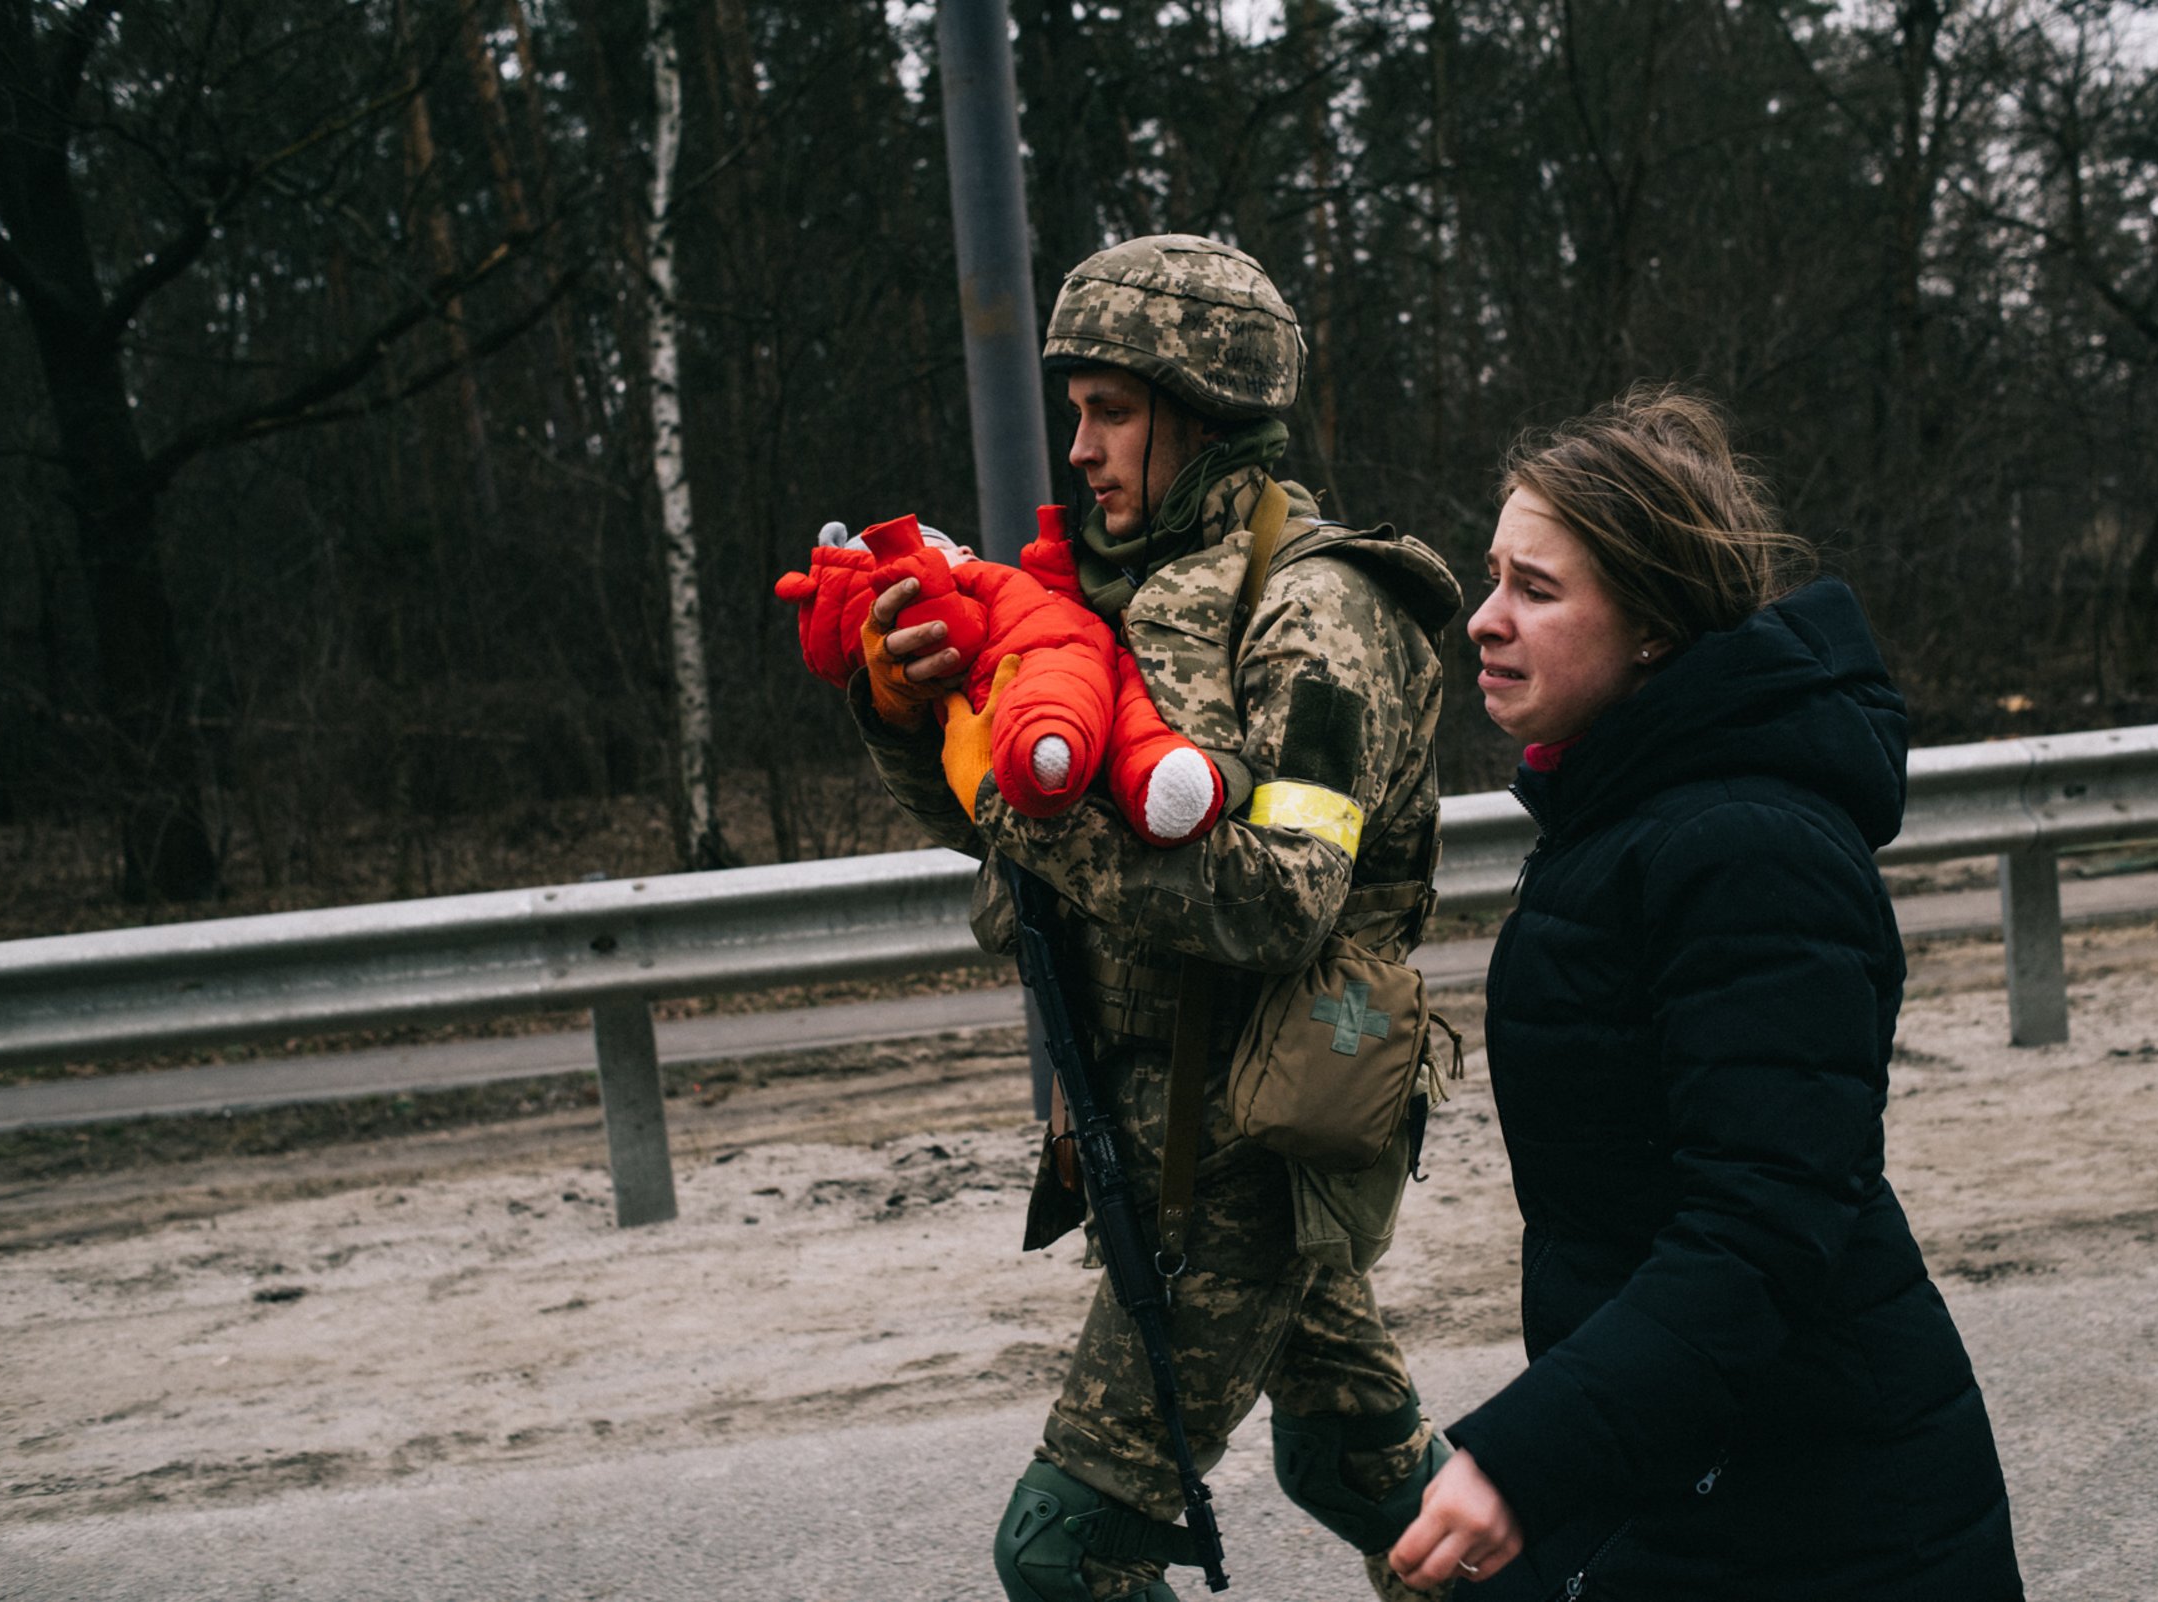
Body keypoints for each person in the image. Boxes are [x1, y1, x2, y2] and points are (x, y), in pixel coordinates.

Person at [847, 233, 1466, 1602]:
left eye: (1111, 412)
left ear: (1209, 414)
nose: (1079, 449)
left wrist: (1032, 811)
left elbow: (1285, 900)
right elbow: (1003, 827)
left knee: (1063, 1550)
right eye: (1076, 411)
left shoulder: (1320, 610)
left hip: (1248, 1141)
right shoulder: (1108, 600)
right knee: (1357, 1463)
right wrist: (909, 714)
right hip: (1152, 1120)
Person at [1389, 387, 2026, 1600]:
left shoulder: (1748, 851)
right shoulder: (1630, 816)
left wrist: (1525, 1457)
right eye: (1493, 578)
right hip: (1691, 1463)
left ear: (1652, 628)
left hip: (1825, 1511)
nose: (1484, 618)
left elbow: (1761, 1228)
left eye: (1536, 589)